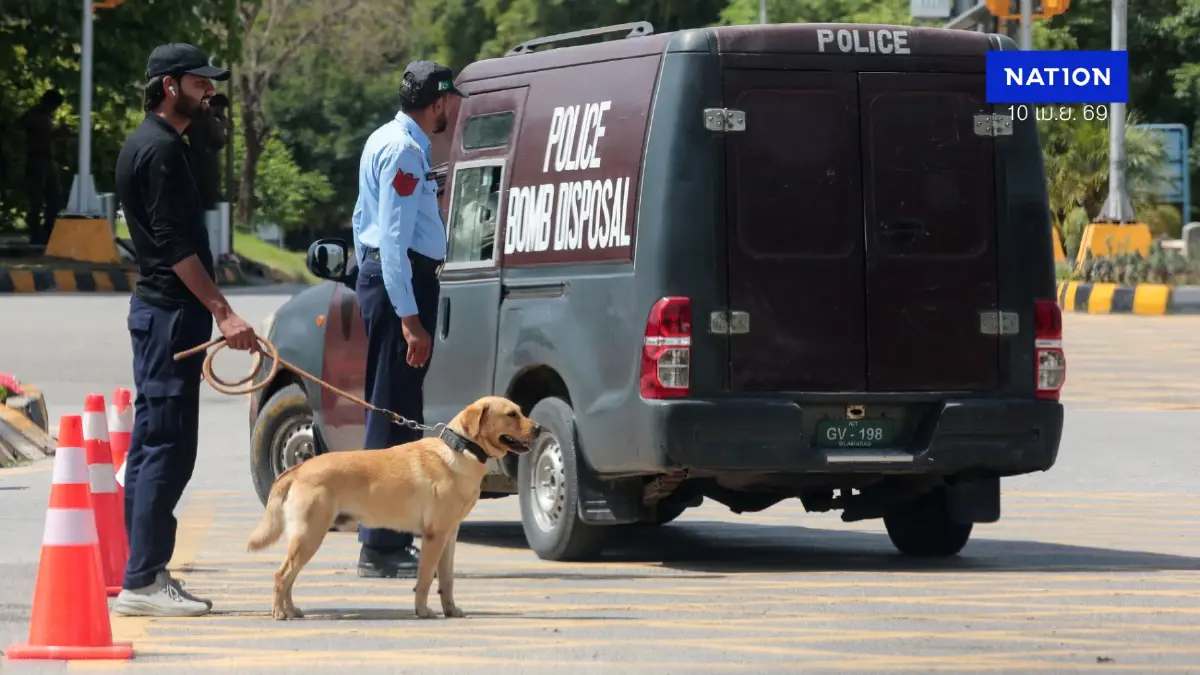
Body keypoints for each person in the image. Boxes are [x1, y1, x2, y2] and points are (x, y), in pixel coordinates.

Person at [112, 43, 259, 617]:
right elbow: (174, 246)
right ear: (171, 86)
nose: (211, 93)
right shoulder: (162, 152)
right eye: (202, 84)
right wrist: (224, 311)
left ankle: (141, 572)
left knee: (154, 445)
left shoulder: (148, 143)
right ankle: (144, 579)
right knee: (168, 447)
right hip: (173, 314)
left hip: (159, 313)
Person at [350, 60, 467, 578]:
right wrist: (408, 318)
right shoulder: (404, 150)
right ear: (437, 103)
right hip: (403, 283)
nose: (451, 112)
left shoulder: (384, 138)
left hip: (392, 281)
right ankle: (379, 546)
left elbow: (362, 224)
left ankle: (388, 542)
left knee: (397, 410)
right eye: (449, 103)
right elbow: (393, 242)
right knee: (392, 414)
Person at [16, 90, 64, 245]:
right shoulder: (33, 115)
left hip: (48, 158)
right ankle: (36, 235)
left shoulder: (45, 117)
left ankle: (48, 232)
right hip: (36, 157)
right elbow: (17, 130)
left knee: (54, 198)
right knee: (36, 199)